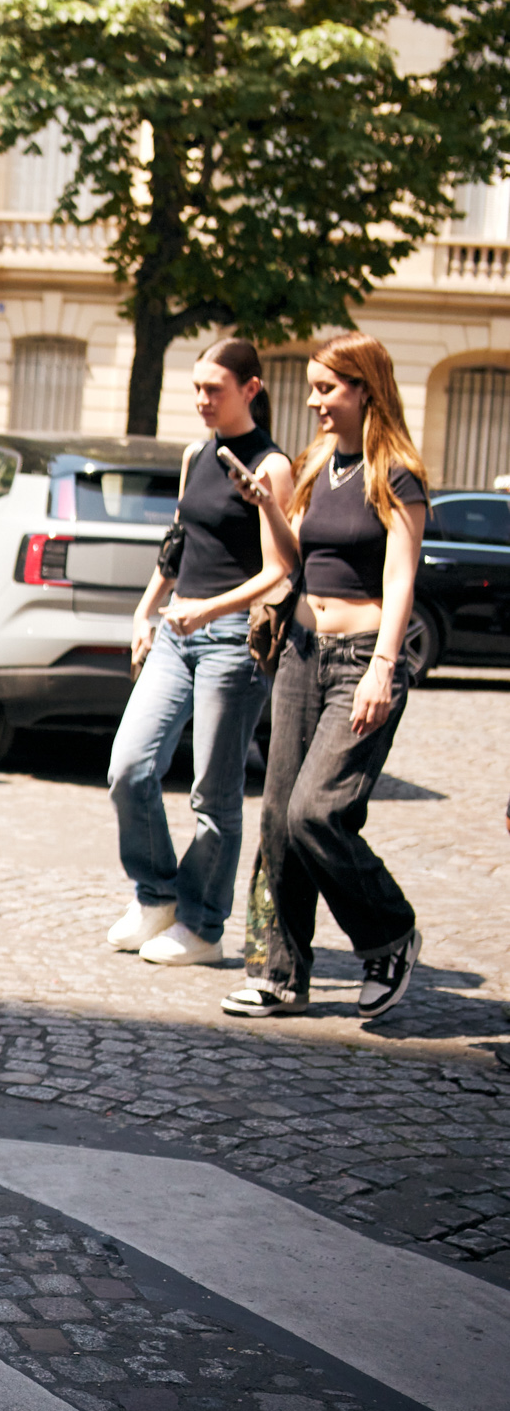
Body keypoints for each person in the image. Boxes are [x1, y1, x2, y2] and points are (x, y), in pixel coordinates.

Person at [224, 330, 428, 1020]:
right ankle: (281, 974)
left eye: (326, 388)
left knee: (319, 810)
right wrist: (267, 506)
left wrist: (382, 668)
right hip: (301, 656)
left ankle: (389, 935)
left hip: (360, 661)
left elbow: (401, 578)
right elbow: (293, 560)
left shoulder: (394, 471)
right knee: (280, 816)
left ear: (365, 388)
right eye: (311, 388)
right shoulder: (316, 465)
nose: (313, 402)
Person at [106, 340, 293, 967]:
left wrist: (210, 610)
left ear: (250, 389)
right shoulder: (197, 454)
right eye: (197, 388)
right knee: (129, 768)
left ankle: (203, 928)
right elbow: (180, 540)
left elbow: (279, 571)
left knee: (214, 796)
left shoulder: (271, 467)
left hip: (232, 641)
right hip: (177, 631)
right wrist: (147, 608)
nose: (201, 400)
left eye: (214, 389)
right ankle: (157, 894)